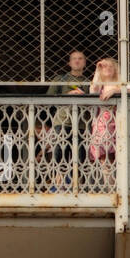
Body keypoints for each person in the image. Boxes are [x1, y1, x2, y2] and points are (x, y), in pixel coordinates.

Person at [43, 50, 90, 188]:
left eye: (80, 58)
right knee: (60, 155)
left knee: (79, 157)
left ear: (85, 63)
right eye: (74, 58)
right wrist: (68, 95)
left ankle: (77, 187)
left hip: (81, 124)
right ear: (69, 63)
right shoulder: (60, 79)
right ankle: (57, 186)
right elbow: (48, 99)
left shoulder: (88, 82)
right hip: (62, 122)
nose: (77, 61)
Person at [87, 57, 130, 164]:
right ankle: (108, 180)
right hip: (102, 124)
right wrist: (97, 68)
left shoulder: (120, 83)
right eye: (105, 67)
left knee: (119, 156)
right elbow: (93, 90)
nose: (108, 68)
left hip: (118, 123)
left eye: (111, 66)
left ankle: (118, 180)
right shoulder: (100, 85)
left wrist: (116, 90)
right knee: (104, 158)